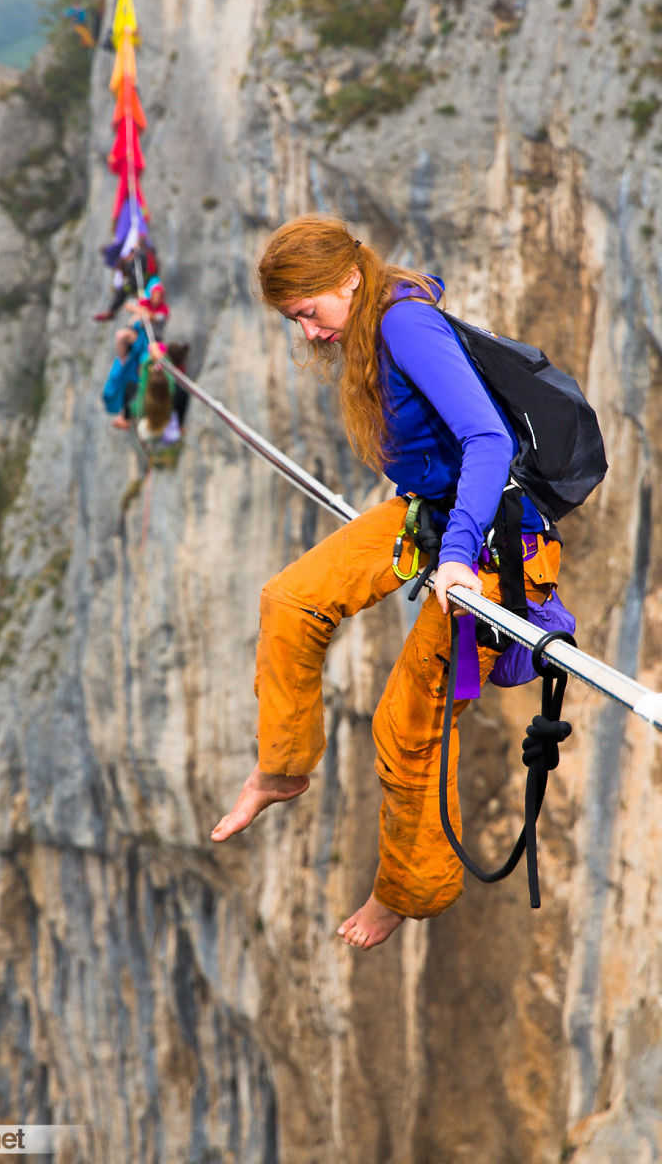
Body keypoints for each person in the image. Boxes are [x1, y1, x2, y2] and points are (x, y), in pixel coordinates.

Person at [210, 214, 563, 951]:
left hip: (496, 543)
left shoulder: (406, 327)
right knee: (293, 596)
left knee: (407, 725)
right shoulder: (373, 320)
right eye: (293, 320)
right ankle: (282, 767)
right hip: (429, 516)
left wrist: (461, 554)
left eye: (308, 312)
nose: (307, 332)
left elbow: (488, 439)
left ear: (347, 281)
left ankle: (410, 889)